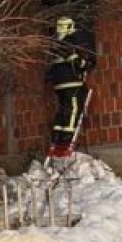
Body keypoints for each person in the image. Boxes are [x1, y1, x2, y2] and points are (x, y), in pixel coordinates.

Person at [45, 16, 97, 155]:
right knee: (73, 109)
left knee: (62, 110)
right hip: (71, 81)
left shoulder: (54, 44)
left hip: (58, 84)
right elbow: (76, 63)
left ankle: (56, 138)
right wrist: (86, 65)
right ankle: (66, 140)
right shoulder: (68, 43)